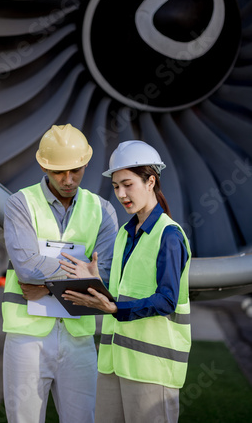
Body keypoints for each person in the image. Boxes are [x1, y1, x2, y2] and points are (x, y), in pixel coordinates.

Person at [61, 140, 192, 423]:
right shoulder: (124, 233)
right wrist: (95, 281)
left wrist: (114, 310)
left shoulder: (169, 235)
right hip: (113, 365)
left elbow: (167, 300)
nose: (121, 194)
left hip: (153, 370)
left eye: (128, 184)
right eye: (116, 186)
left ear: (150, 181)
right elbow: (124, 293)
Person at [2, 123, 118, 423]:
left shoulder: (103, 210)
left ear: (86, 164)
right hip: (27, 337)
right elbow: (26, 267)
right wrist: (81, 274)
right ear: (43, 165)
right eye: (59, 172)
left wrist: (46, 285)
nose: (68, 180)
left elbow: (104, 274)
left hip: (78, 338)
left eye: (75, 170)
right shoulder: (20, 204)